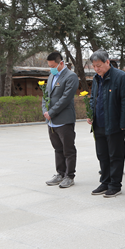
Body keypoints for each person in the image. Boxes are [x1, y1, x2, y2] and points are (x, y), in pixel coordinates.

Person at [88, 50, 125, 198]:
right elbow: (93, 98)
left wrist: (124, 123)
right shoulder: (96, 78)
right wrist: (90, 114)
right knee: (102, 155)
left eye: (99, 65)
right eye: (94, 66)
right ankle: (105, 182)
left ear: (107, 62)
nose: (96, 69)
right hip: (98, 124)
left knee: (115, 155)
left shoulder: (120, 77)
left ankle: (115, 185)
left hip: (114, 124)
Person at [43, 52, 79, 188]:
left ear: (61, 63)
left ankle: (70, 176)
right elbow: (45, 95)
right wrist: (45, 111)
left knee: (68, 149)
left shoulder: (71, 76)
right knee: (57, 148)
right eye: (49, 66)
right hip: (51, 120)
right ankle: (60, 173)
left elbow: (66, 98)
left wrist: (51, 112)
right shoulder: (51, 75)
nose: (51, 68)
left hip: (64, 119)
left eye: (53, 66)